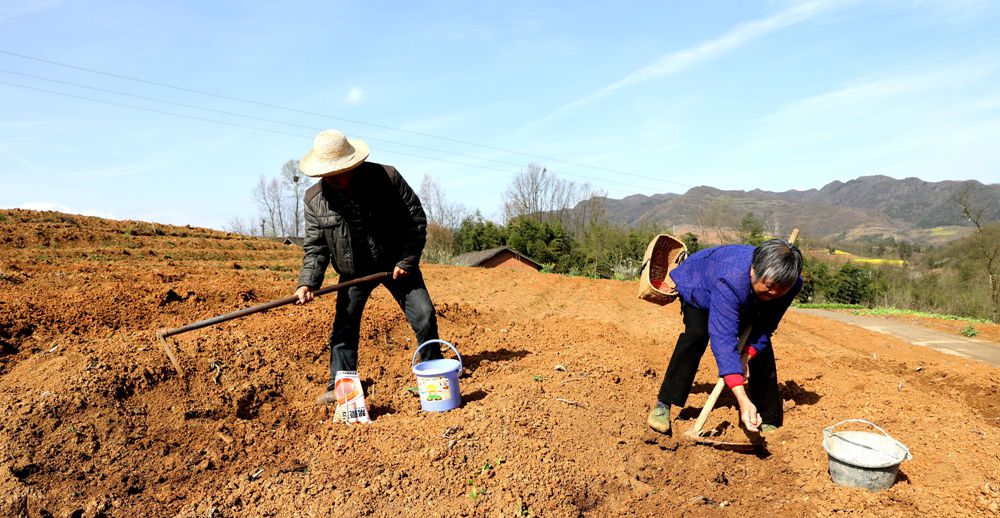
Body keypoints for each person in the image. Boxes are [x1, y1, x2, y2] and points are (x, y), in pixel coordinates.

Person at [293, 129, 442, 404]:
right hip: (353, 272)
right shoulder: (314, 199)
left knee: (424, 315)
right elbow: (316, 247)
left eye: (339, 172)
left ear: (352, 164)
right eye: (328, 173)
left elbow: (415, 219)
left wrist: (407, 260)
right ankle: (340, 384)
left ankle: (434, 369)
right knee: (344, 327)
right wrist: (307, 283)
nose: (334, 178)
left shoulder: (387, 178)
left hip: (396, 265)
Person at [647, 239, 803, 435]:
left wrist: (747, 355)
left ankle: (768, 416)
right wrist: (742, 398)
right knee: (696, 334)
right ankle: (664, 404)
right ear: (753, 270)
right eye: (769, 285)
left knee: (761, 346)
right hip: (700, 286)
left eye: (782, 289)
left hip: (744, 294)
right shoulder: (731, 279)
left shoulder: (790, 284)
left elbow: (767, 324)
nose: (775, 293)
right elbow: (723, 339)